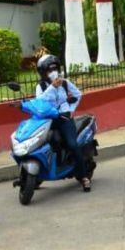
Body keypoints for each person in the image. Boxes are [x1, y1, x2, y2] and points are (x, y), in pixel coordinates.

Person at [35, 54, 91, 191]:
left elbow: (78, 94)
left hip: (65, 119)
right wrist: (52, 87)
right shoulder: (41, 86)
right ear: (43, 72)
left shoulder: (65, 83)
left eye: (55, 69)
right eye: (49, 70)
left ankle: (84, 177)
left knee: (72, 144)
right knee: (39, 144)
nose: (53, 73)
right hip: (48, 120)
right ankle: (37, 176)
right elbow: (40, 101)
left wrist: (71, 109)